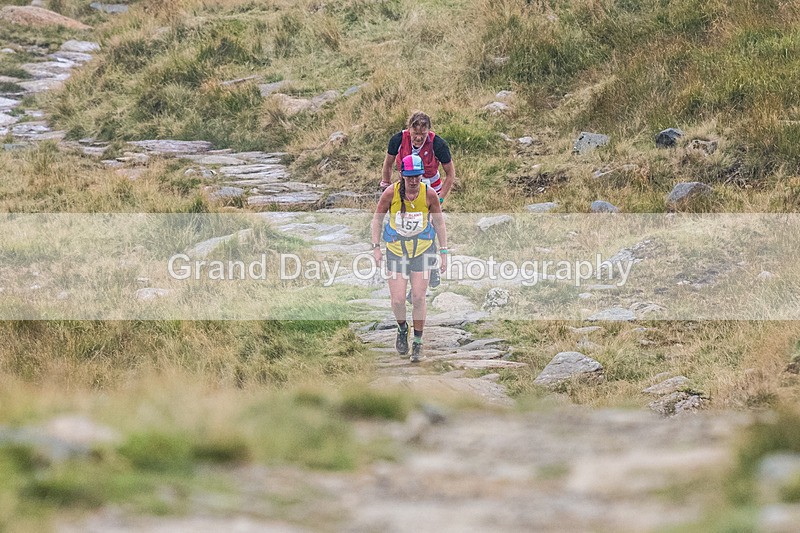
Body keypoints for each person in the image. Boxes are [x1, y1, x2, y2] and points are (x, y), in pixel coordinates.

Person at [372, 154, 449, 363]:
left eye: (417, 176)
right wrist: (376, 247)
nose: (414, 181)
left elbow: (439, 223)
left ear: (422, 175)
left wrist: (443, 252)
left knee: (417, 297)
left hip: (422, 251)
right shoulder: (391, 193)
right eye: (410, 177)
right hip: (396, 251)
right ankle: (402, 328)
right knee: (397, 300)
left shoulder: (429, 194)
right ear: (402, 175)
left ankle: (417, 342)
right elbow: (377, 219)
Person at [379, 111, 455, 290]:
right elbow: (388, 164)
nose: (418, 138)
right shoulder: (397, 140)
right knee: (405, 223)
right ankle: (405, 263)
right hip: (405, 186)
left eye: (423, 134)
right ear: (408, 130)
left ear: (429, 131)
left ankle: (430, 266)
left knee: (430, 224)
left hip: (431, 187)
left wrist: (441, 197)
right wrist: (386, 184)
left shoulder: (438, 144)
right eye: (415, 134)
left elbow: (450, 174)